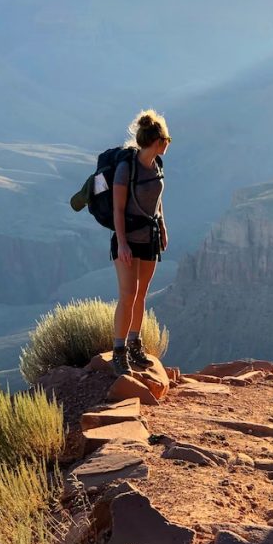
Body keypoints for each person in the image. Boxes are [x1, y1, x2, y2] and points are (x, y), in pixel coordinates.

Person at [110, 110, 170, 376]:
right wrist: (122, 243)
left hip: (150, 238)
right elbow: (117, 209)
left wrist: (163, 226)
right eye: (166, 140)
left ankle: (135, 344)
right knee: (127, 295)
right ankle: (119, 352)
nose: (167, 145)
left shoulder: (157, 165)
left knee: (141, 294)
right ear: (157, 141)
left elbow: (157, 201)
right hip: (128, 240)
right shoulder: (126, 168)